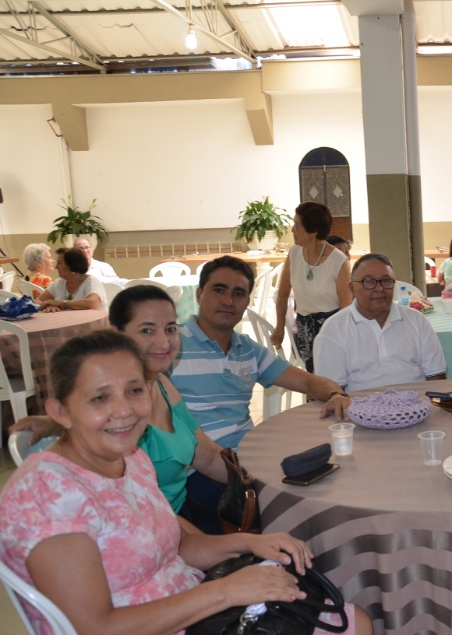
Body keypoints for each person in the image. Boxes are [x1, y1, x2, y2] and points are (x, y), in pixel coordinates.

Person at [0, 330, 371, 635]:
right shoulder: (48, 496)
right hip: (158, 621)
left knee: (349, 619)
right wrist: (226, 592)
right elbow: (94, 627)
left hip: (192, 605)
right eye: (100, 397)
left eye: (134, 390)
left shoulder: (130, 459)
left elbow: (178, 546)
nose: (125, 410)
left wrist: (251, 542)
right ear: (59, 411)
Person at [12, 286, 230, 521]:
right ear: (116, 334)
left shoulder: (163, 385)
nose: (164, 343)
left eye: (170, 329)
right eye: (147, 330)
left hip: (182, 513)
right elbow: (132, 515)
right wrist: (64, 423)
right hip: (154, 529)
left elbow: (206, 455)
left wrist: (253, 477)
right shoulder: (119, 422)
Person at [170, 255, 350, 532]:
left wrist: (336, 393)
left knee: (327, 481)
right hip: (198, 470)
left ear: (247, 303)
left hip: (249, 460)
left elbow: (308, 382)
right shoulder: (171, 346)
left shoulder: (247, 349)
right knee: (297, 505)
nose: (228, 300)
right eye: (219, 290)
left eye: (238, 293)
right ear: (200, 294)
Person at [314, 254, 446, 393]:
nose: (379, 288)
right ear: (352, 288)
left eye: (386, 281)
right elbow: (332, 391)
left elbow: (436, 376)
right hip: (359, 410)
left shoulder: (417, 321)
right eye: (369, 281)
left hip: (417, 407)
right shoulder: (334, 330)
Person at [270, 202, 351, 375]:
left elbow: (346, 308)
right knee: (314, 380)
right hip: (303, 329)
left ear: (313, 231)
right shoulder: (294, 253)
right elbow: (283, 295)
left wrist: (343, 340)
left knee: (330, 377)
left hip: (331, 328)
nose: (292, 230)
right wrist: (279, 328)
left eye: (297, 226)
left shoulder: (339, 261)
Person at [37, 247, 106, 312]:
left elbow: (92, 303)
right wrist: (47, 306)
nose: (56, 267)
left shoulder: (91, 281)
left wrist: (61, 303)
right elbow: (37, 301)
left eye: (60, 263)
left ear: (72, 265)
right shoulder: (59, 283)